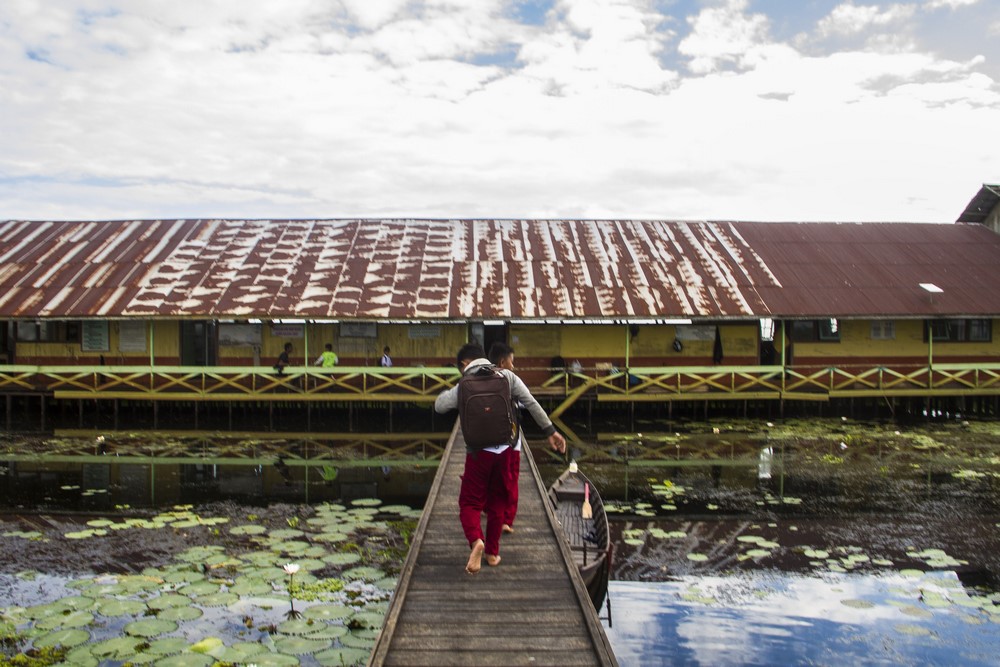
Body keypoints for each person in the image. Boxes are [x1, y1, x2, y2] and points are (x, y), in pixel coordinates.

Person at [435, 343, 566, 575]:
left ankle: (476, 541)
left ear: (465, 364)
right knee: (498, 503)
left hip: (477, 454)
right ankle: (492, 553)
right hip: (505, 450)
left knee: (470, 503)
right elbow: (531, 403)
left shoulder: (464, 384)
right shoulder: (507, 377)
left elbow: (440, 405)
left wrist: (456, 390)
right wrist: (550, 432)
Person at [488, 341, 520, 535]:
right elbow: (528, 403)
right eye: (512, 362)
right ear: (502, 363)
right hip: (511, 440)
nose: (514, 366)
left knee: (495, 479)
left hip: (489, 442)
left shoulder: (482, 380)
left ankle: (496, 513)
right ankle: (506, 519)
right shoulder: (511, 381)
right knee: (510, 479)